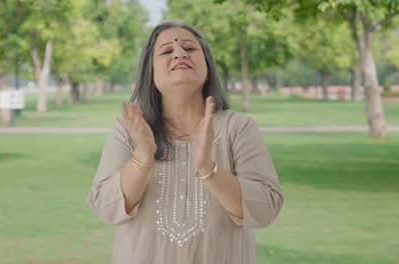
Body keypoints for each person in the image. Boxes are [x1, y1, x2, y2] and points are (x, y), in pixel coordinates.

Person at [87, 20, 283, 264]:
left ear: (207, 65)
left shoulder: (239, 128)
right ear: (150, 71)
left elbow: (265, 209)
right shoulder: (128, 130)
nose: (179, 52)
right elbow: (107, 208)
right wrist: (143, 156)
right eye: (167, 51)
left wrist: (207, 168)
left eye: (190, 49)